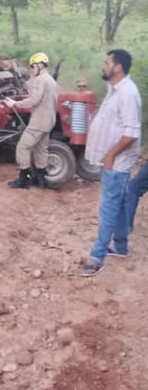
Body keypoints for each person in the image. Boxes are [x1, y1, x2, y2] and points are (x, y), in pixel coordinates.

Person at [79, 49, 142, 277]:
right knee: (122, 202)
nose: (103, 65)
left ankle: (97, 257)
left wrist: (110, 156)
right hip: (113, 160)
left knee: (109, 206)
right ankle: (121, 245)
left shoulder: (127, 93)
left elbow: (131, 132)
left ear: (117, 67)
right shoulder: (115, 89)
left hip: (116, 162)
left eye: (106, 62)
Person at [4, 52, 59, 189]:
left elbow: (35, 99)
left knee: (23, 147)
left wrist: (15, 104)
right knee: (41, 149)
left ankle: (24, 179)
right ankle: (40, 179)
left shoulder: (41, 80)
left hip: (39, 121)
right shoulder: (51, 80)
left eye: (32, 66)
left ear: (40, 65)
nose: (32, 69)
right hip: (49, 121)